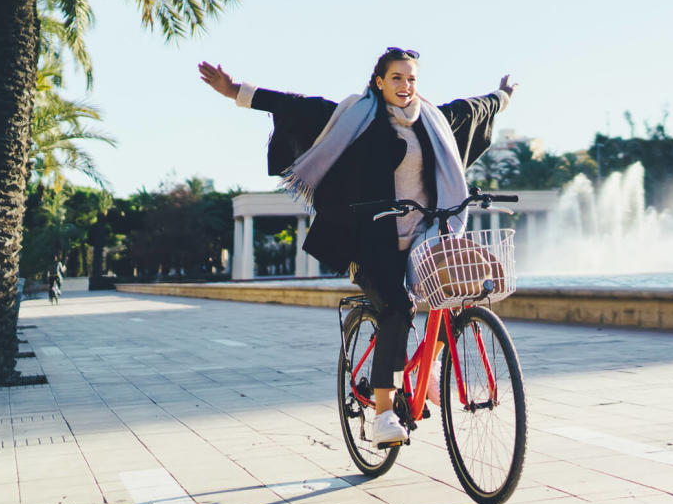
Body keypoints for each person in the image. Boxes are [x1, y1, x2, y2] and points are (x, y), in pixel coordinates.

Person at [198, 50, 516, 446]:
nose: (405, 86)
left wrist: (502, 97)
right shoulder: (357, 118)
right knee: (397, 309)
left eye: (412, 79)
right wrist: (235, 91)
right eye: (397, 78)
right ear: (379, 82)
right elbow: (297, 106)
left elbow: (474, 109)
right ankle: (383, 413)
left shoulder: (433, 121)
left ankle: (427, 367)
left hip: (424, 234)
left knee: (456, 294)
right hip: (369, 237)